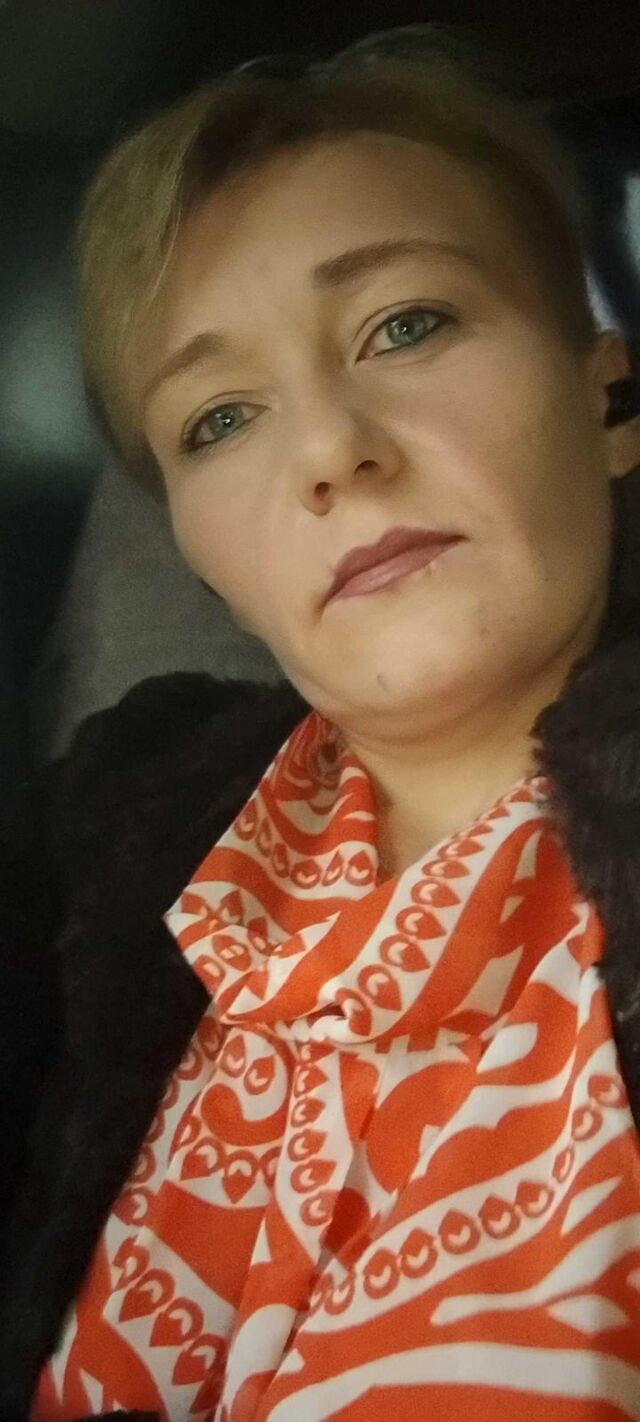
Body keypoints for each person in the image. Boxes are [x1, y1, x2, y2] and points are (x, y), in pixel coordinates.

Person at [2, 22, 640, 1421]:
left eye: (405, 324)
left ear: (608, 398)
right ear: (200, 557)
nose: (330, 452)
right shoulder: (96, 854)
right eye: (219, 418)